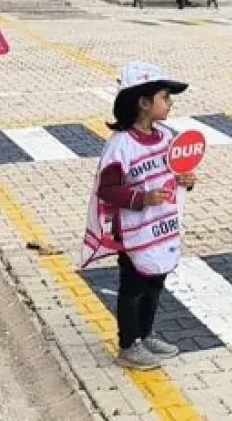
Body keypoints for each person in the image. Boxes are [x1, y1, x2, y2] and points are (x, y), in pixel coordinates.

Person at [79, 62, 194, 370]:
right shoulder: (121, 146)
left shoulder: (167, 137)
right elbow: (107, 189)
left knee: (156, 281)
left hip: (162, 228)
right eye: (164, 97)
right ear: (143, 102)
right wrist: (141, 198)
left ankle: (146, 334)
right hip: (133, 232)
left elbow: (178, 174)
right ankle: (129, 344)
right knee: (133, 288)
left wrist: (187, 180)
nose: (170, 103)